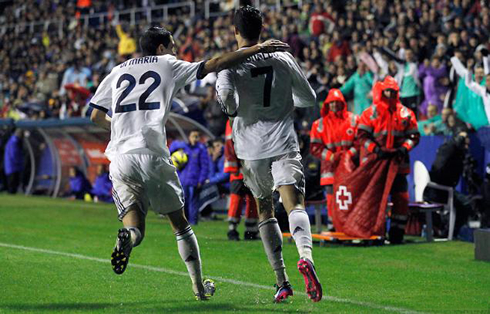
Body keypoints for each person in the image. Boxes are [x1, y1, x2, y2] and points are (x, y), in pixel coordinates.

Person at [89, 25, 288, 300]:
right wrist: (258, 48)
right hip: (151, 153)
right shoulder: (168, 64)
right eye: (172, 45)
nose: (175, 51)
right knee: (180, 225)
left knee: (135, 227)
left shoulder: (118, 70)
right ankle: (198, 288)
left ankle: (129, 238)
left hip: (121, 157)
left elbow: (96, 116)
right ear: (161, 48)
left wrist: (122, 130)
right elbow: (216, 63)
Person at [215, 6, 322, 303]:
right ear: (262, 29)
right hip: (283, 139)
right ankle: (306, 257)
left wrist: (236, 111)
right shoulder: (283, 56)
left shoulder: (229, 65)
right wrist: (284, 101)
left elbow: (226, 98)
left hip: (250, 148)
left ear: (236, 32)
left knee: (265, 209)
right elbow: (308, 98)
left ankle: (281, 280)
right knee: (293, 203)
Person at [357, 77, 420, 244]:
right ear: (383, 91)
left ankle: (397, 232)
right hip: (378, 164)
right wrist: (375, 149)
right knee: (376, 199)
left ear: (397, 92)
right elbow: (362, 136)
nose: (390, 94)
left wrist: (404, 148)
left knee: (401, 198)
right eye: (387, 91)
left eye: (393, 91)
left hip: (398, 164)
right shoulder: (371, 112)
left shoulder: (405, 113)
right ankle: (377, 232)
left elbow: (414, 136)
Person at [310, 88, 358, 225]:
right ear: (327, 105)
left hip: (349, 164)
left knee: (349, 192)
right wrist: (331, 156)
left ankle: (347, 222)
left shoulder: (353, 120)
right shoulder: (319, 124)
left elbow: (359, 142)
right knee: (331, 193)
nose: (334, 105)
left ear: (342, 103)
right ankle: (332, 223)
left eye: (337, 102)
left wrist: (349, 154)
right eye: (331, 103)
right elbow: (314, 147)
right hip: (329, 165)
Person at [223, 120, 259, 241]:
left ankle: (250, 230)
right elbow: (229, 144)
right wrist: (234, 167)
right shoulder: (233, 120)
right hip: (240, 168)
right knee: (237, 199)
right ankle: (233, 229)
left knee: (252, 199)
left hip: (251, 167)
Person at [179, 130, 210, 225]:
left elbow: (205, 166)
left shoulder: (201, 149)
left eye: (197, 137)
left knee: (194, 202)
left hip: (195, 180)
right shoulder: (184, 149)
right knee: (184, 201)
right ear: (189, 137)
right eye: (193, 136)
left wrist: (201, 180)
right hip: (184, 180)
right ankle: (185, 221)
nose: (195, 139)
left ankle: (193, 221)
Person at [3, 129, 24, 194]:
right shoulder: (14, 142)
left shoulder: (12, 140)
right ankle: (11, 192)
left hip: (10, 165)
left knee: (12, 181)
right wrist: (19, 162)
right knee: (13, 182)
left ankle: (11, 191)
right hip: (13, 165)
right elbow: (14, 154)